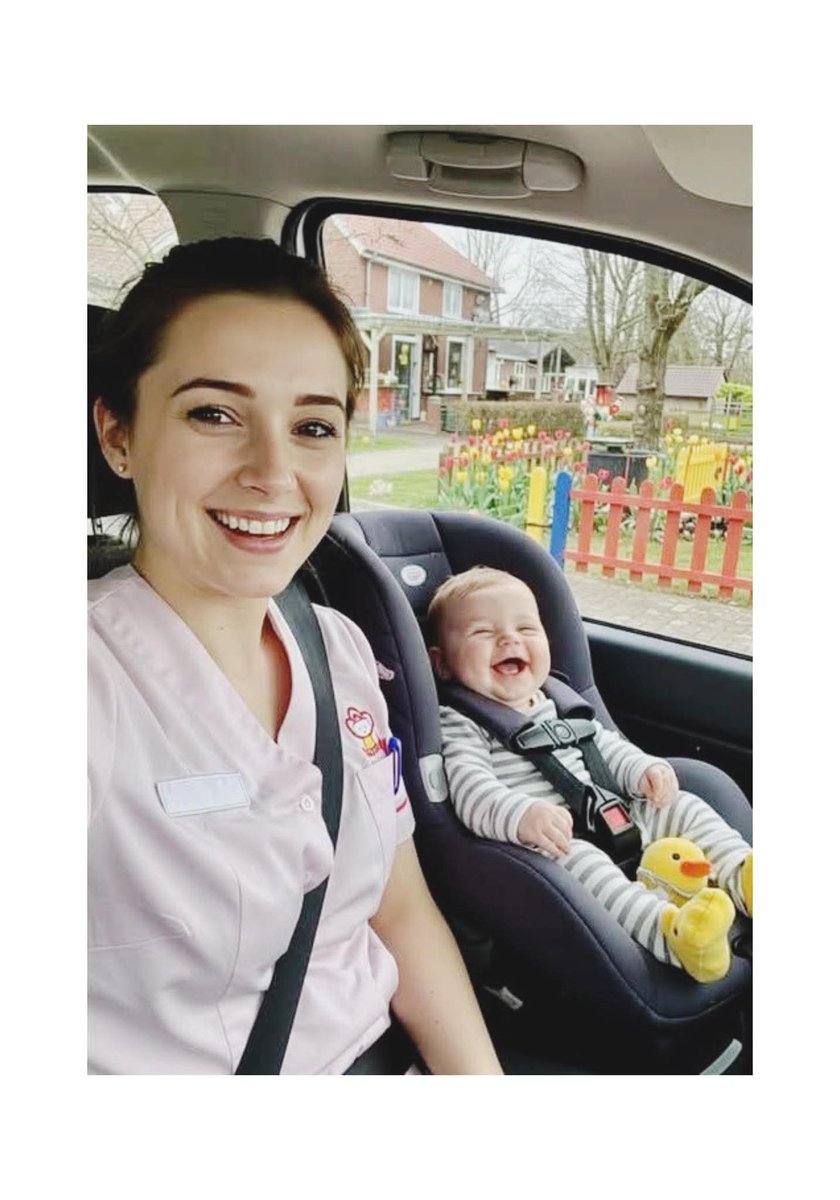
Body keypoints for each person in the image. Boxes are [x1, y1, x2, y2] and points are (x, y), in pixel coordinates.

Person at [88, 238, 503, 1075]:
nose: (275, 473)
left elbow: (403, 910)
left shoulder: (340, 648)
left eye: (313, 426)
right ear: (118, 435)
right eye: (215, 414)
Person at [426, 566, 753, 982]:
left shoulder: (555, 700)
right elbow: (471, 788)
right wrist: (522, 814)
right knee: (585, 866)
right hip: (556, 840)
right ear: (442, 664)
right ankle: (672, 932)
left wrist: (642, 770)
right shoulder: (460, 721)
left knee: (684, 806)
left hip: (615, 812)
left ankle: (741, 872)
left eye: (526, 627)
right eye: (483, 634)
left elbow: (605, 746)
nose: (510, 639)